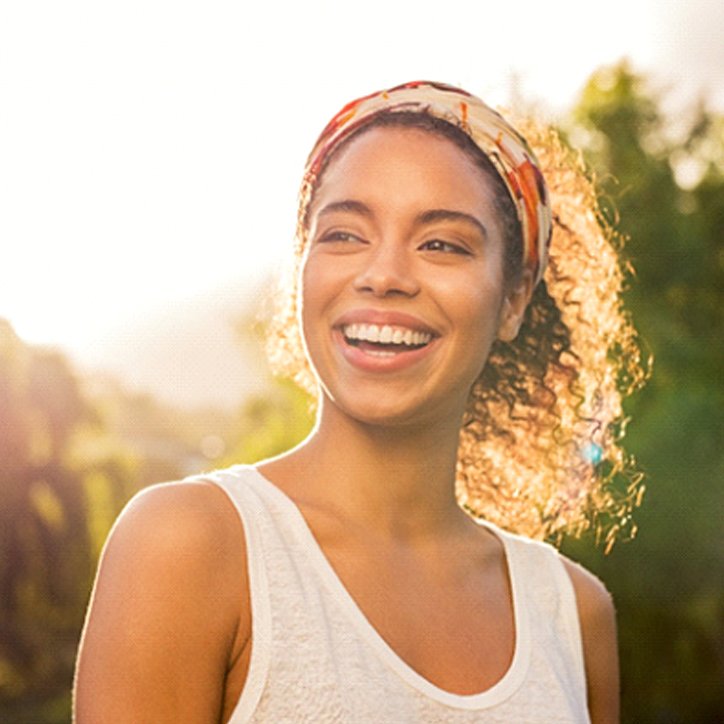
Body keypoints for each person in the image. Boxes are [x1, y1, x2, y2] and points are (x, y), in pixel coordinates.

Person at [74, 81, 646, 723]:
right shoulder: (190, 545)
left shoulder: (572, 613)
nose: (383, 275)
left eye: (442, 244)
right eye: (344, 235)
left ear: (512, 300)